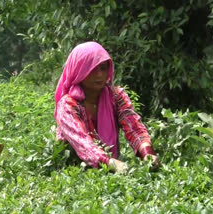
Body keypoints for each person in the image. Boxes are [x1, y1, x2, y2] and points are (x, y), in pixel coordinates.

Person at [54, 41, 159, 174]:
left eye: (103, 68)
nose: (99, 75)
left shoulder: (115, 96)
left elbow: (134, 128)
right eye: (92, 70)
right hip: (75, 169)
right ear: (78, 71)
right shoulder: (68, 105)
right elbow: (82, 143)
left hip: (112, 166)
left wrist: (147, 152)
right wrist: (109, 162)